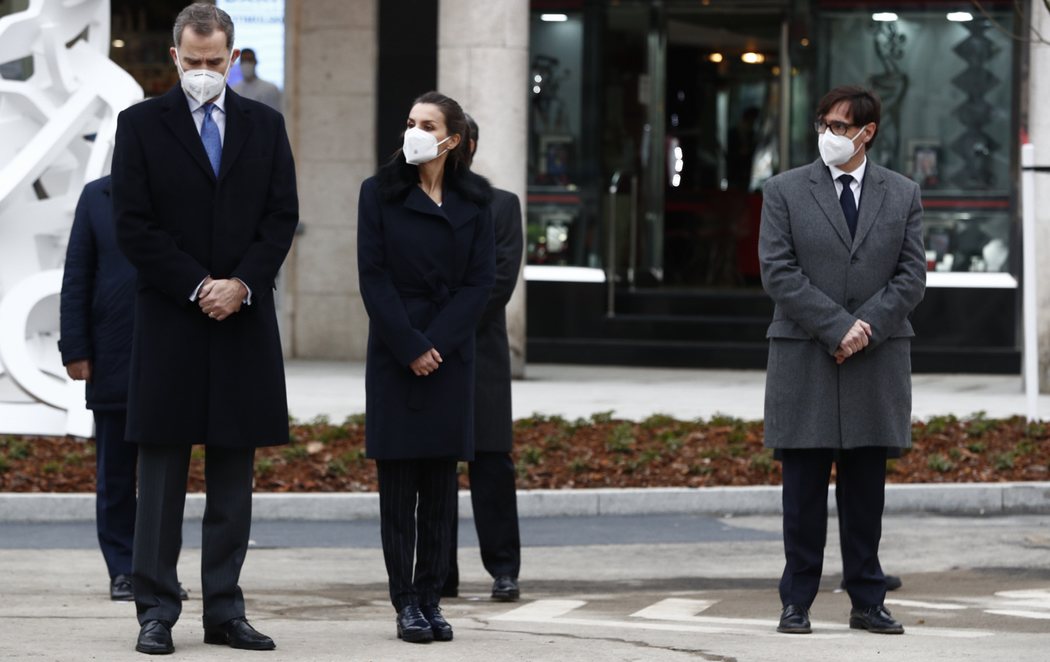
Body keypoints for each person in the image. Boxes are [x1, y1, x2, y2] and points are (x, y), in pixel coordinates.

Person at [111, 3, 298, 655]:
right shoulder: (138, 126)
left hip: (241, 322)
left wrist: (241, 284)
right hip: (171, 320)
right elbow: (132, 224)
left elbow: (281, 217)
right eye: (192, 62)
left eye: (214, 62)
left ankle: (225, 610)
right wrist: (197, 285)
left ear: (234, 56)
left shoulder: (266, 127)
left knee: (232, 482)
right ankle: (155, 609)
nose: (203, 72)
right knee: (159, 479)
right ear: (174, 58)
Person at [758, 85, 925, 636]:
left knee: (864, 494)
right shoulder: (783, 190)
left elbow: (911, 276)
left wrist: (866, 329)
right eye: (824, 124)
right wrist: (837, 326)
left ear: (866, 132)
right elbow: (778, 271)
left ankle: (867, 600)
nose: (829, 135)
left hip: (874, 362)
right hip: (806, 356)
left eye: (839, 125)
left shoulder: (901, 194)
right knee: (801, 493)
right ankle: (796, 601)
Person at [357, 91, 495, 644]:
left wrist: (436, 343)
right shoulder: (379, 193)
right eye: (410, 120)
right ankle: (405, 602)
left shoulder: (475, 201)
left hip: (450, 354)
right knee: (399, 484)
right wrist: (410, 344)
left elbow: (480, 283)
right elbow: (373, 277)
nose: (414, 130)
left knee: (441, 483)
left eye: (427, 124)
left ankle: (433, 597)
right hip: (397, 353)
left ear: (452, 139)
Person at [443, 114, 523, 602]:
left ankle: (504, 569)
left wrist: (442, 326)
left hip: (481, 353)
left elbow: (498, 282)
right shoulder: (413, 202)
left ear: (468, 144)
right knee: (434, 469)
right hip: (426, 355)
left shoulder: (502, 206)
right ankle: (438, 571)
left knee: (492, 464)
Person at [232, 48, 282, 112]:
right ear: (240, 64)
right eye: (244, 61)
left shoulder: (270, 89)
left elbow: (276, 116)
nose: (247, 64)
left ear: (255, 62)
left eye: (249, 60)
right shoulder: (234, 91)